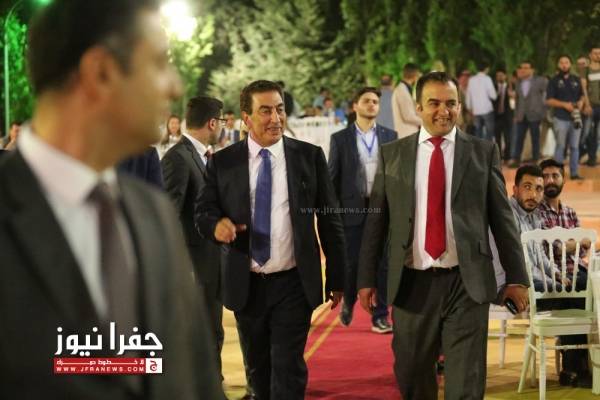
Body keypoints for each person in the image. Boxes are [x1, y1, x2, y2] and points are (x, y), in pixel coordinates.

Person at [0, 1, 225, 399]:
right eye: (159, 63)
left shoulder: (152, 212)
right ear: (100, 72)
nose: (174, 87)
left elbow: (191, 375)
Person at [357, 71, 529, 400]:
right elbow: (376, 221)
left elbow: (503, 221)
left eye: (451, 103)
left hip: (467, 284)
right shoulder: (393, 154)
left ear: (460, 106)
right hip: (411, 284)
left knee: (466, 381)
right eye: (434, 103)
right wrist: (366, 278)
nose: (443, 111)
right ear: (418, 108)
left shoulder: (483, 152)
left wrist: (517, 277)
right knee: (411, 374)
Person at [195, 80, 346, 400]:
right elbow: (203, 211)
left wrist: (337, 275)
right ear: (246, 118)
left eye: (279, 109)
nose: (275, 118)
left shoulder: (309, 157)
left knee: (288, 370)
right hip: (246, 284)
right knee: (258, 373)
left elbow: (330, 219)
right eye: (265, 111)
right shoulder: (223, 162)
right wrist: (215, 225)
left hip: (294, 283)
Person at [161, 96, 225, 377]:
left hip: (210, 263)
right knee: (202, 335)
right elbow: (169, 215)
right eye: (221, 121)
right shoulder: (177, 158)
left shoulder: (202, 155)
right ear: (212, 123)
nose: (222, 127)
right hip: (193, 266)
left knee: (212, 331)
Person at [328, 86, 397, 333]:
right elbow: (332, 177)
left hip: (382, 208)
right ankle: (349, 300)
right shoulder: (340, 139)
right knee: (352, 262)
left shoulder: (391, 135)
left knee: (384, 262)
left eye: (375, 102)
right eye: (366, 101)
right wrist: (333, 214)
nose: (371, 105)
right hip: (352, 209)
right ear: (355, 106)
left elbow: (397, 174)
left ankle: (380, 315)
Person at [538, 158, 593, 387]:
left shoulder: (570, 212)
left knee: (586, 288)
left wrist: (568, 246)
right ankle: (576, 366)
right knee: (580, 291)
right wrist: (572, 244)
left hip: (576, 275)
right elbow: (550, 250)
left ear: (563, 179)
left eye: (555, 175)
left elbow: (584, 246)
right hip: (552, 280)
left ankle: (574, 366)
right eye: (546, 176)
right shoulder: (537, 213)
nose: (550, 180)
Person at [546, 55, 585, 180]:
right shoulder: (554, 81)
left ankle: (574, 173)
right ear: (558, 65)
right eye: (561, 62)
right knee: (560, 146)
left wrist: (581, 102)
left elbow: (582, 95)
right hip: (560, 118)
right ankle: (557, 175)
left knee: (575, 147)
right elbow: (549, 100)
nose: (564, 65)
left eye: (566, 62)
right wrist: (564, 105)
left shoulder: (576, 79)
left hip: (575, 118)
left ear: (570, 64)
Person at [509, 61, 547, 168]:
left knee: (535, 138)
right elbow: (517, 100)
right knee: (519, 138)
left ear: (532, 70)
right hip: (521, 115)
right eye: (522, 68)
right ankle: (516, 159)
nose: (523, 70)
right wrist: (516, 115)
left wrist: (543, 111)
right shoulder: (518, 82)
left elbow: (547, 96)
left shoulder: (540, 81)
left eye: (526, 68)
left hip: (535, 114)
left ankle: (536, 159)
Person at [466, 61, 497, 141]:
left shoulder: (471, 80)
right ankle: (488, 148)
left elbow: (468, 95)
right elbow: (493, 96)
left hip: (476, 111)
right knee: (489, 132)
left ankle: (478, 148)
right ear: (486, 69)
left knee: (478, 132)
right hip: (487, 110)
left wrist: (469, 107)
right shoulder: (487, 79)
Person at [581, 46, 600, 166]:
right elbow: (583, 88)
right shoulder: (586, 70)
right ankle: (586, 153)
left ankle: (592, 158)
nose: (598, 55)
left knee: (598, 134)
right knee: (587, 132)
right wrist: (587, 104)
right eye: (595, 53)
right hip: (591, 106)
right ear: (590, 55)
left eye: (599, 53)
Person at [392, 63, 421, 138]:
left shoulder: (405, 89)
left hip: (408, 135)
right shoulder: (401, 91)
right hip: (406, 135)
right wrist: (426, 122)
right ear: (415, 75)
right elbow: (408, 116)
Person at [493, 68, 513, 161]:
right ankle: (498, 157)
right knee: (497, 138)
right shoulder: (493, 87)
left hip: (507, 116)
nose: (500, 77)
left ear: (505, 76)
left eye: (501, 75)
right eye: (498, 76)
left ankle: (507, 157)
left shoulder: (511, 87)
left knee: (508, 138)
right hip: (496, 116)